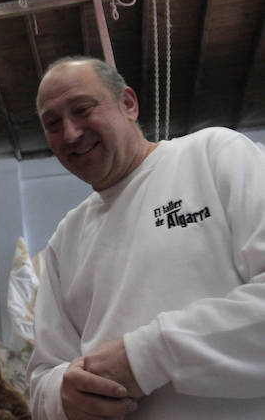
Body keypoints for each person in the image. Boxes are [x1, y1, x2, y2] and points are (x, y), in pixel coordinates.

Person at [28, 56, 265, 419]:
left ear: (128, 104)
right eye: (53, 123)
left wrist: (147, 356)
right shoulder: (66, 240)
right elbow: (42, 378)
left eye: (82, 109)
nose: (71, 133)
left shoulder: (213, 156)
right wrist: (62, 396)